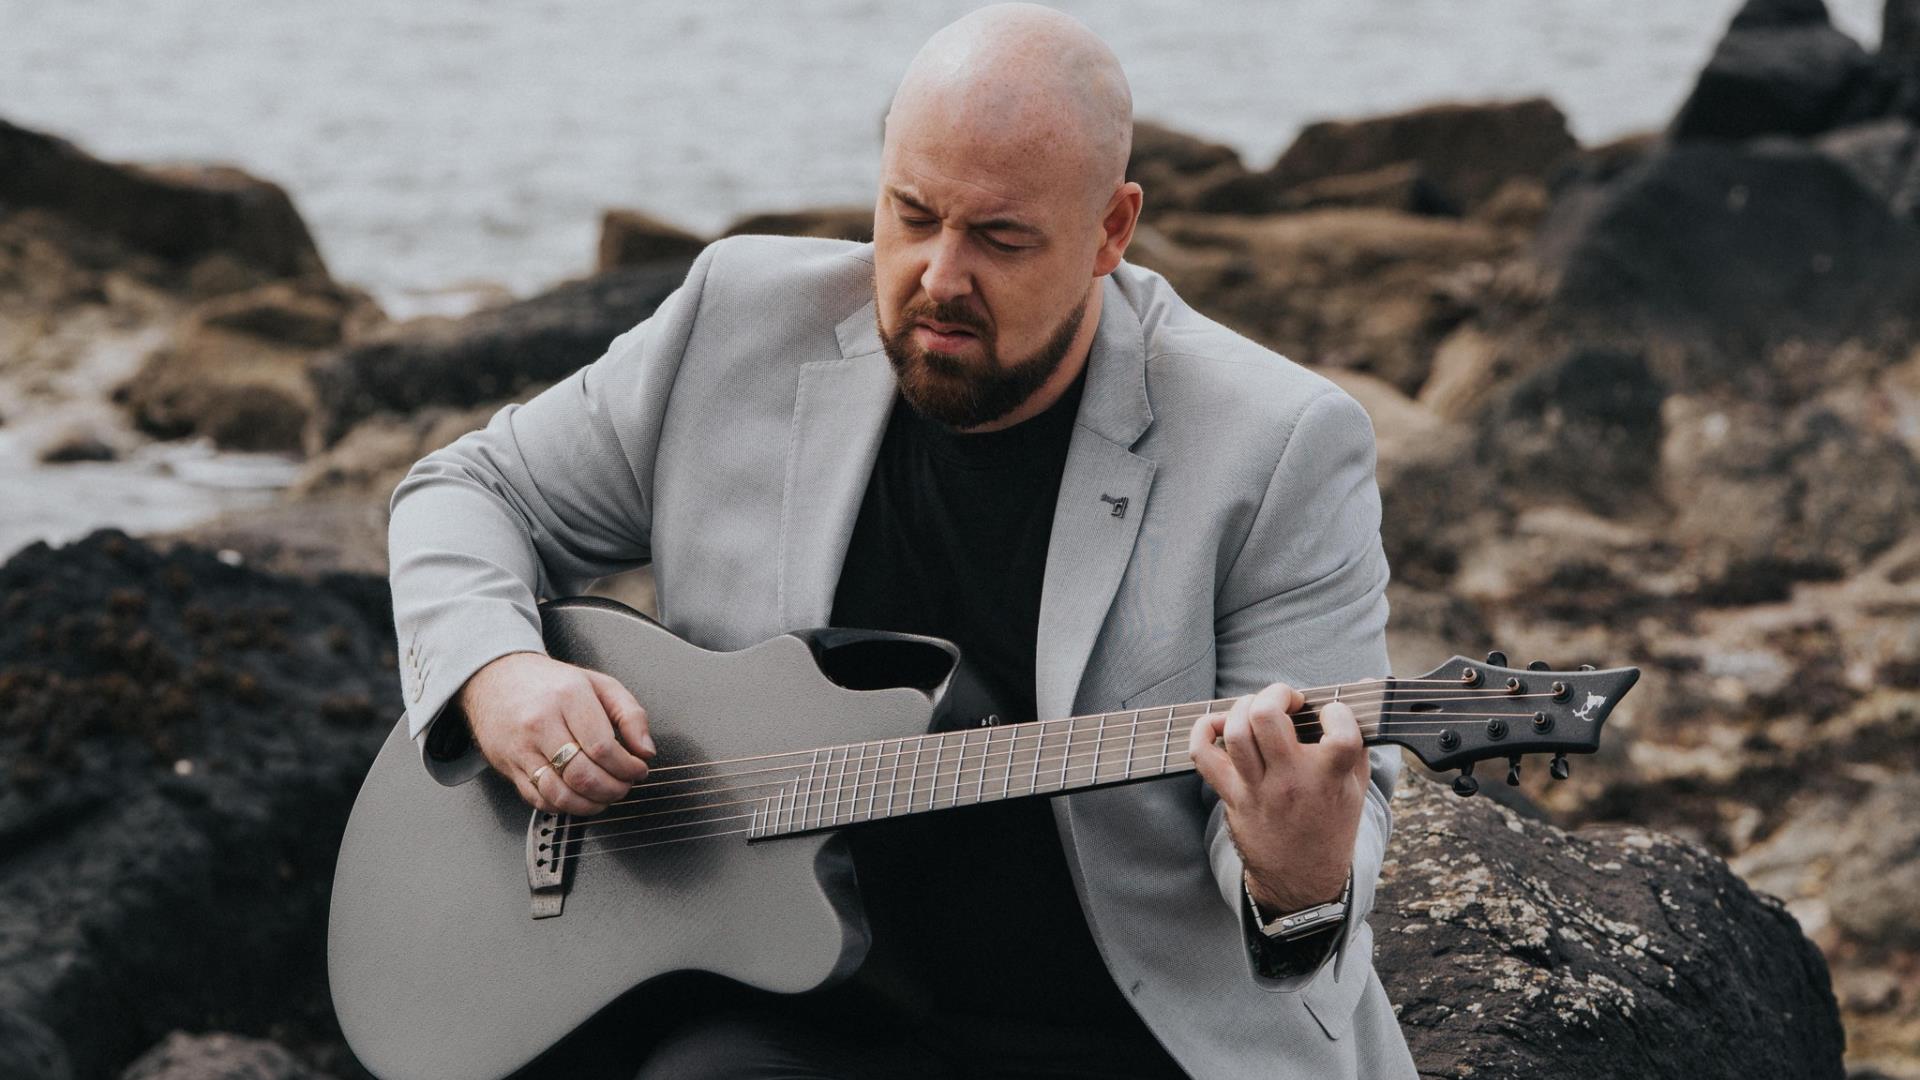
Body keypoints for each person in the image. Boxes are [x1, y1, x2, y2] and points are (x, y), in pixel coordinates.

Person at [387, 5, 1417, 1077]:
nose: (940, 277)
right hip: (796, 999)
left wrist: (1298, 875)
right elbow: (469, 488)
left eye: (1002, 238)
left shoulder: (1277, 446)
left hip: (1125, 1033)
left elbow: (1318, 849)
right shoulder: (735, 323)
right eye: (912, 214)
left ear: (1112, 230)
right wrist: (499, 672)